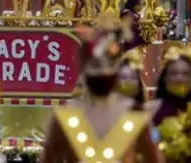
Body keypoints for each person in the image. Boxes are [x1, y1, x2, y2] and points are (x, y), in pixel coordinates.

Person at [39, 15, 161, 163]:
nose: (102, 73)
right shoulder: (66, 115)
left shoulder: (133, 112)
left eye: (108, 65)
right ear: (83, 68)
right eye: (95, 65)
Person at [147, 44, 191, 128]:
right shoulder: (150, 110)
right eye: (173, 73)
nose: (179, 79)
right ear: (165, 78)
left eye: (185, 74)